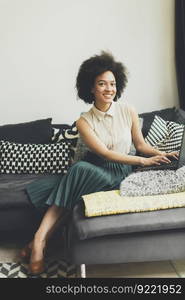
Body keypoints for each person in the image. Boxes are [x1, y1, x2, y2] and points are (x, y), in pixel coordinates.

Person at [20, 51, 178, 275]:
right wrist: (143, 161)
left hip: (120, 171)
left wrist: (162, 153)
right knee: (80, 171)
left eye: (112, 84)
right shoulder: (84, 121)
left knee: (73, 180)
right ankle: (38, 242)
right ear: (91, 88)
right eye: (102, 84)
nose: (109, 89)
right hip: (96, 166)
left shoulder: (129, 110)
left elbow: (141, 145)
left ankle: (37, 241)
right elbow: (104, 154)